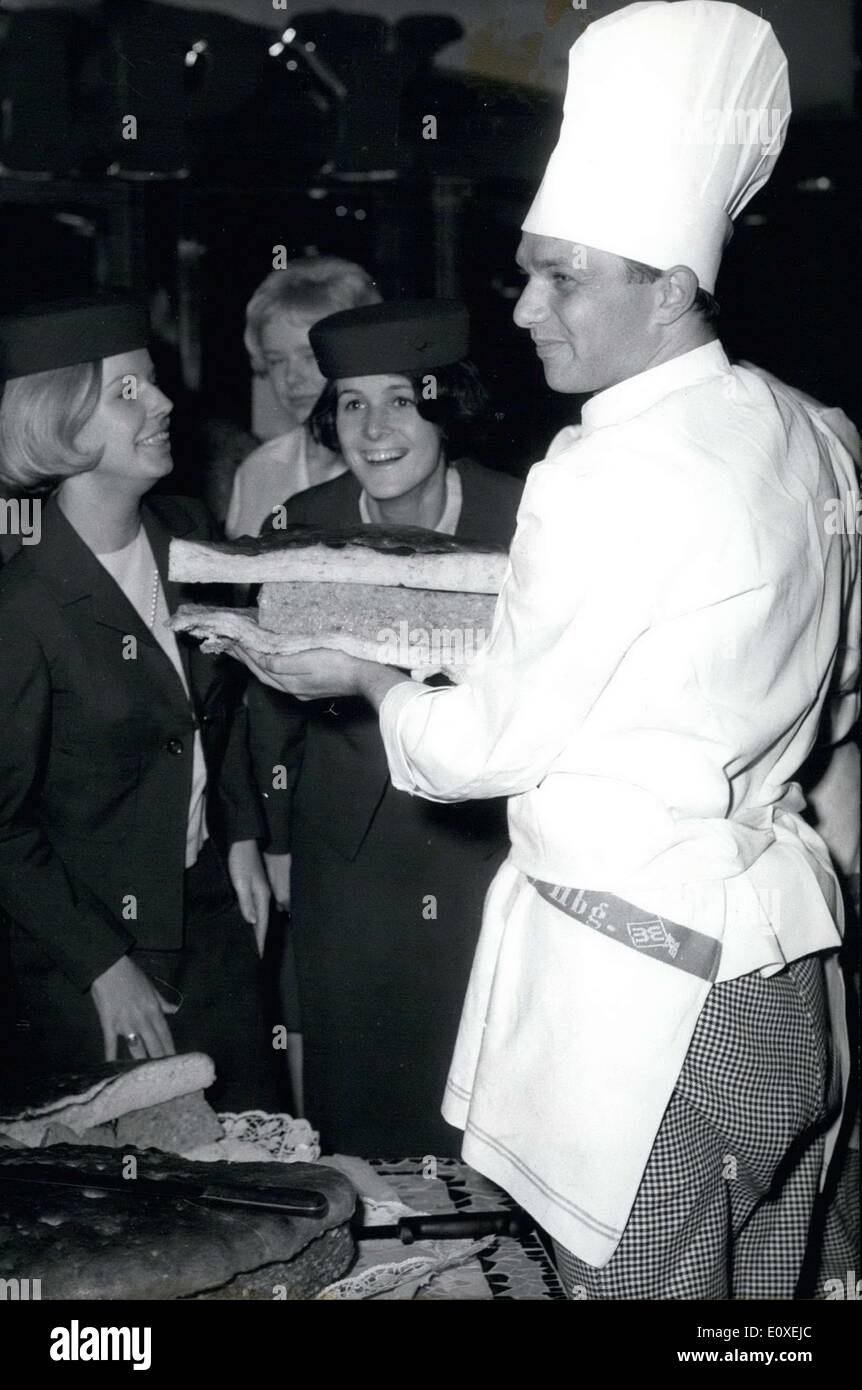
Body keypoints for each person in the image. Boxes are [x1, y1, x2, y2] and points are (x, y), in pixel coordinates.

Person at [227, 2, 859, 1296]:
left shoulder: (598, 470)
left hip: (647, 992)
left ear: (671, 285)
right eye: (527, 268)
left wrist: (372, 682)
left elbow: (483, 745)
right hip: (789, 969)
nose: (520, 308)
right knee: (770, 1303)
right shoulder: (812, 433)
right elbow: (839, 687)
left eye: (561, 275)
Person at [244, 300, 523, 1156]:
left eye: (402, 400)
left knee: (491, 1106)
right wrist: (270, 841)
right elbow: (261, 712)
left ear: (448, 406)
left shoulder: (526, 523)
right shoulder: (299, 528)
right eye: (353, 404)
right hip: (350, 862)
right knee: (364, 1119)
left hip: (496, 850)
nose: (374, 429)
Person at [0, 297, 278, 1112]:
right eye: (128, 392)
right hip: (89, 954)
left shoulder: (188, 539)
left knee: (263, 1161)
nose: (161, 404)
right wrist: (101, 964)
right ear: (60, 422)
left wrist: (241, 838)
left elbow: (212, 711)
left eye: (152, 385)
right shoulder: (21, 601)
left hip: (212, 922)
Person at [225, 257, 380, 540]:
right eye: (276, 361)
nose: (292, 378)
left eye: (311, 357)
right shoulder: (258, 471)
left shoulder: (393, 461)